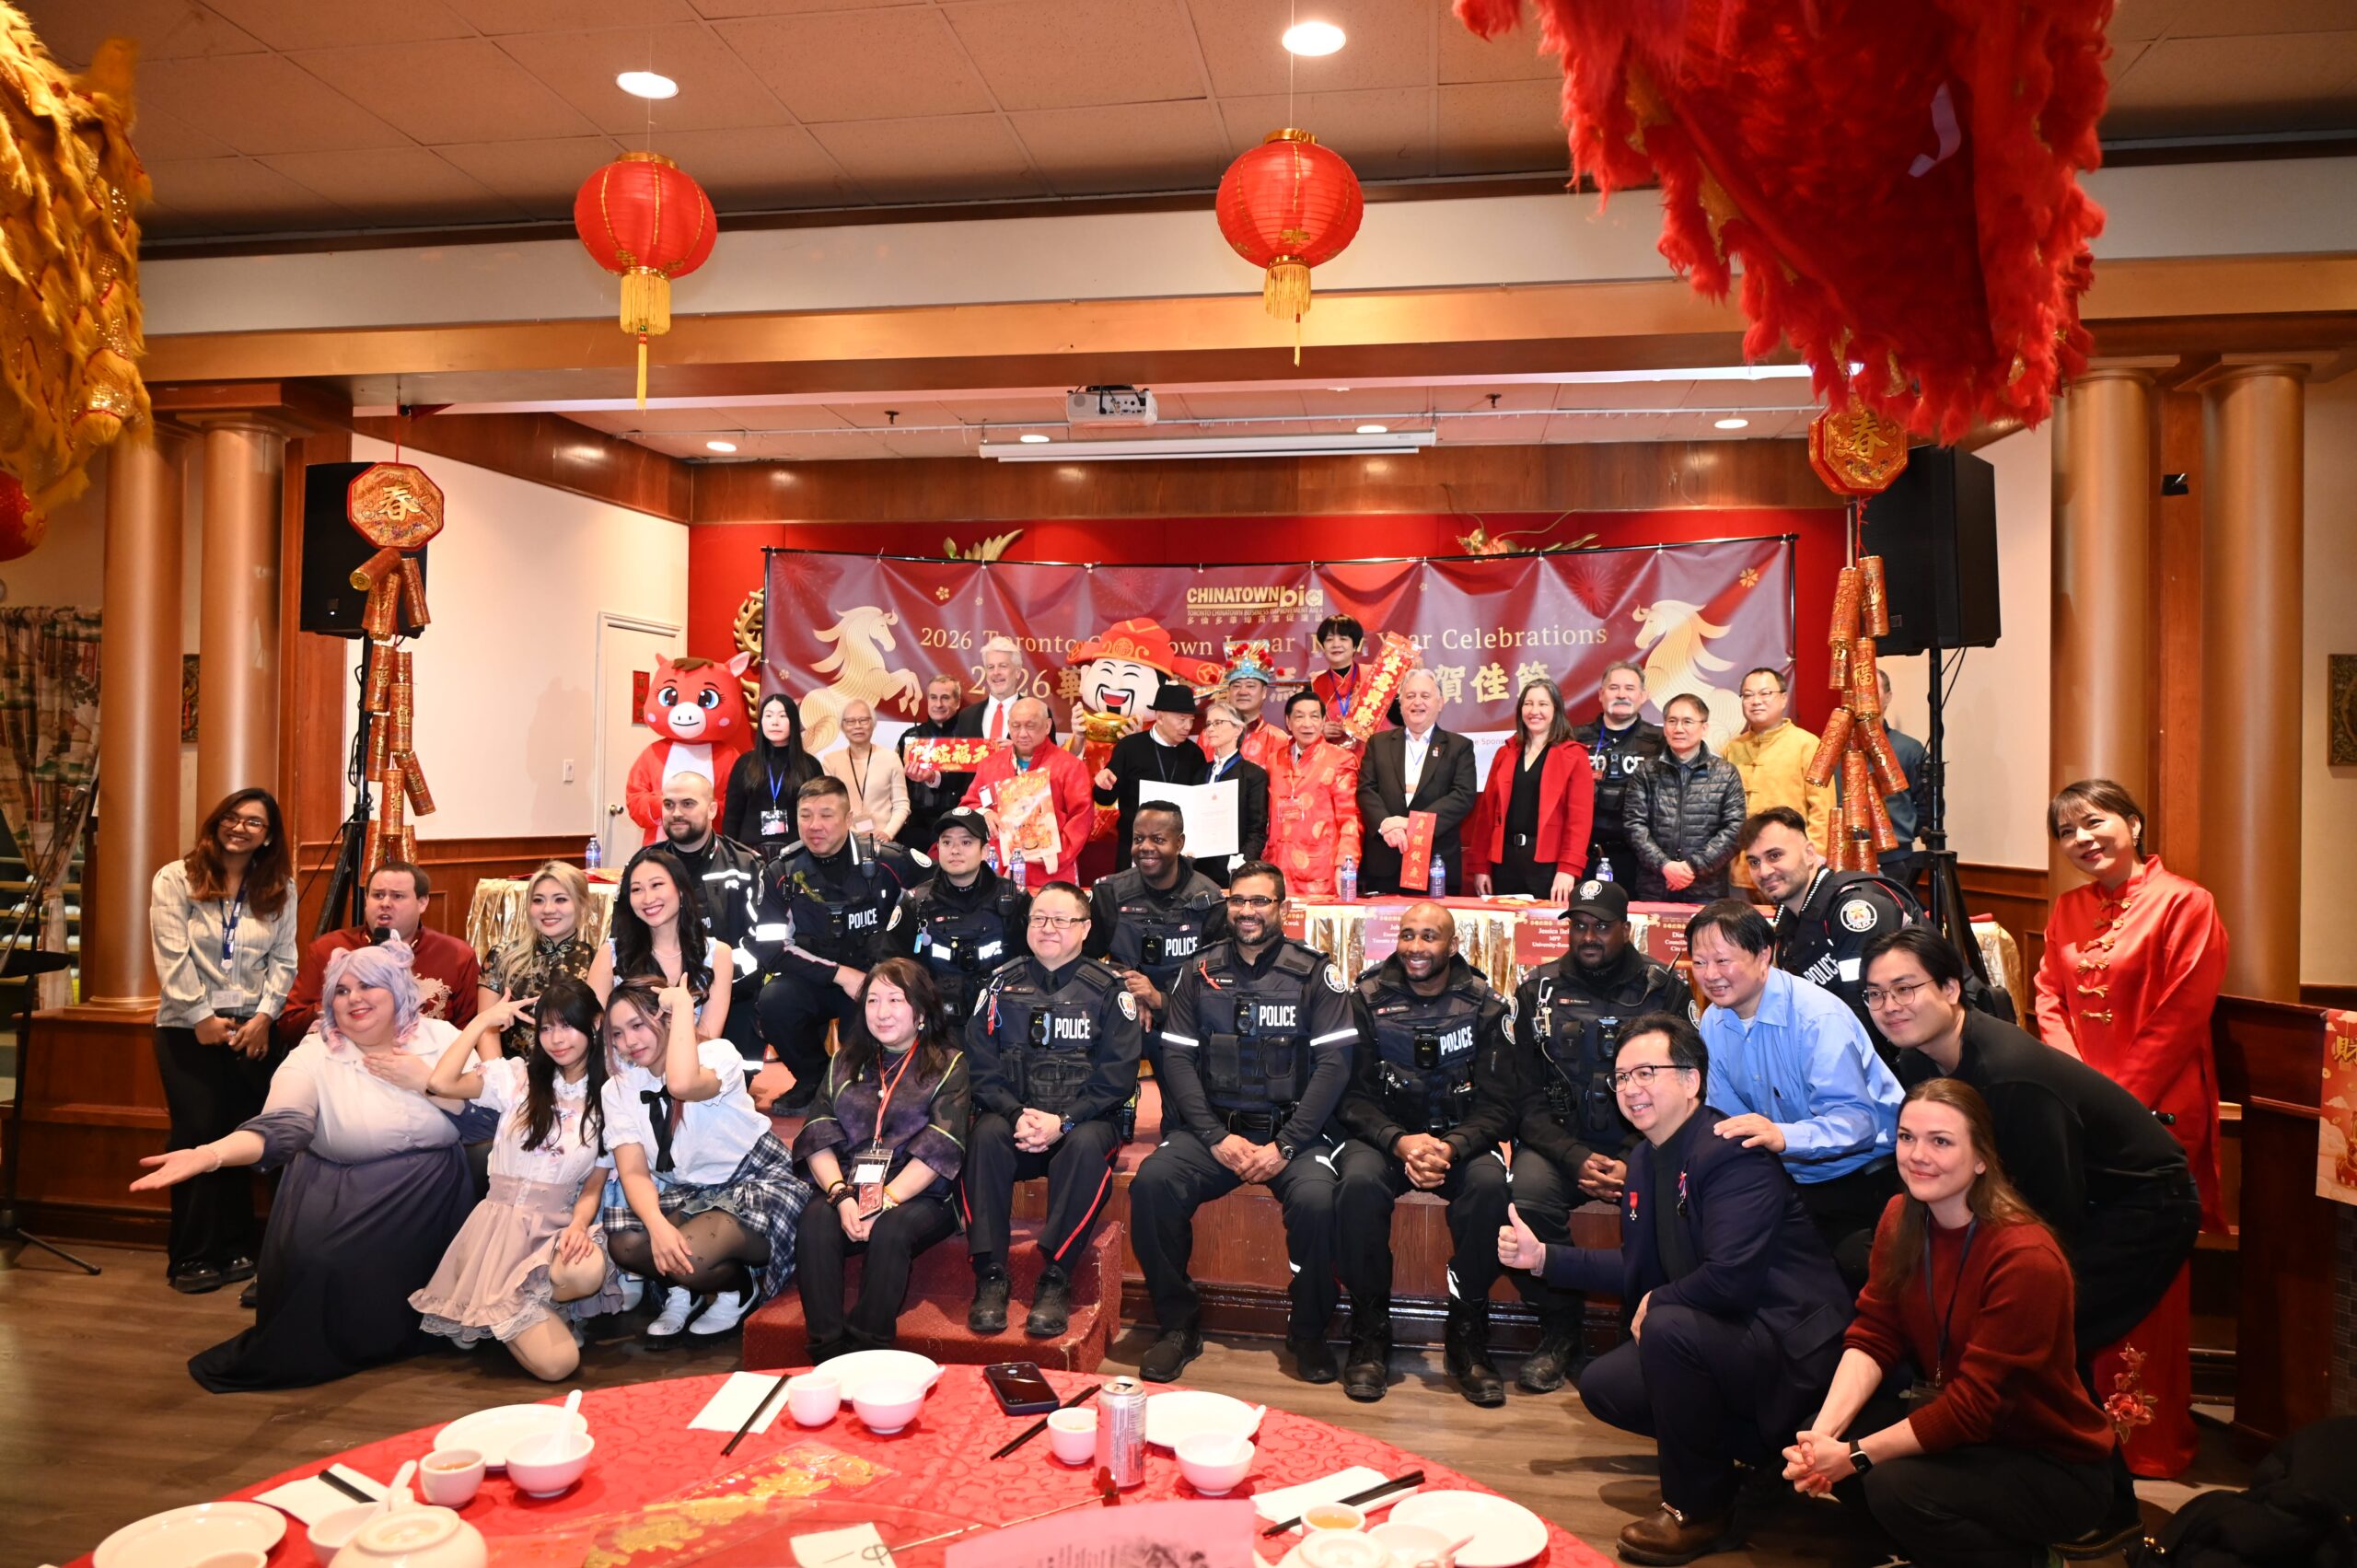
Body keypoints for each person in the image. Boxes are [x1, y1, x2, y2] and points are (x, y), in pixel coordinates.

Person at [1865, 927, 2199, 1551]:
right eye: (1876, 994)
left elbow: (2049, 1214)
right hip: (2057, 1203)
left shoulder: (2010, 1075)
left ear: (1950, 987)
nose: (1890, 1006)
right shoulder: (1918, 1058)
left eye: (1905, 988)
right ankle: (2007, 1485)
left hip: (2139, 1208)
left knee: (2052, 1332)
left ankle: (2102, 1508)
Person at [1497, 1013, 1852, 1565]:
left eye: (1646, 1073)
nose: (1630, 1088)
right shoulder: (1644, 1157)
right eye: (1621, 1077)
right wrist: (1543, 1258)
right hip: (1728, 1333)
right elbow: (1639, 1268)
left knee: (1665, 1325)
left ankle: (1699, 1509)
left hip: (1791, 1343)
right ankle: (1756, 1458)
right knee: (1606, 1384)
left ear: (1691, 1081)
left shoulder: (1729, 1150)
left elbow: (1731, 1277)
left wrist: (1659, 1301)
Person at [1782, 1080, 2117, 1568]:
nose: (1918, 1155)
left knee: (1891, 1483)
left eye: (1940, 1141)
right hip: (1969, 1432)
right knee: (1820, 1435)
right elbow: (1875, 1334)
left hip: (2049, 1460)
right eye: (1906, 1137)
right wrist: (1824, 1440)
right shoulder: (1901, 1216)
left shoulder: (2026, 1257)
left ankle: (2031, 1561)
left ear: (1981, 1158)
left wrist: (1853, 1456)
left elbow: (1973, 1407)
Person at [132, 940, 485, 1392]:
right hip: (343, 1190)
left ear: (398, 990)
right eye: (342, 991)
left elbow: (489, 1118)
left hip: (437, 1193)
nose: (354, 999)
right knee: (321, 1265)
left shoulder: (444, 1040)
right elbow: (282, 1126)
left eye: (368, 986)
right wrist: (210, 1154)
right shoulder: (314, 1054)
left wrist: (427, 1083)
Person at [2034, 779, 2226, 1481]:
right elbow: (2048, 998)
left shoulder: (2186, 903)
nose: (2082, 839)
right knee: (2083, 1263)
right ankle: (2081, 1428)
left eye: (2095, 821)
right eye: (2067, 830)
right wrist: (2073, 1092)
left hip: (2156, 1114)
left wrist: (2110, 1104)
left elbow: (2183, 1012)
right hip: (2080, 1115)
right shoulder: (2067, 907)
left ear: (2134, 823)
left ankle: (2146, 1440)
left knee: (2149, 1274)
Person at [1131, 862, 1355, 1384]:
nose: (1247, 911)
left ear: (1283, 908)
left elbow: (1334, 1067)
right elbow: (1177, 1059)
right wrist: (1214, 1136)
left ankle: (1308, 1331)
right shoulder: (1197, 971)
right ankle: (1178, 1325)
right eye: (1238, 901)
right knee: (1152, 1185)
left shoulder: (1315, 973)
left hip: (1292, 1135)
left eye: (1260, 901)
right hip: (1214, 1131)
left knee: (1319, 1202)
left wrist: (1287, 1145)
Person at [1508, 877, 1691, 1391]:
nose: (1589, 937)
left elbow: (1685, 1086)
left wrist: (1632, 1154)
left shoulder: (1664, 989)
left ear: (1626, 929)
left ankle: (1642, 1334)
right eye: (1580, 926)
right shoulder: (1537, 989)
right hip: (1558, 1144)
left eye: (1602, 927)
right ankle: (1561, 1333)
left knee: (1669, 1200)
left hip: (1647, 1142)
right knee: (1528, 1196)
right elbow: (1523, 1096)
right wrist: (1572, 1156)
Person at [1334, 901, 1516, 1406]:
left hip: (1460, 1141)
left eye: (1429, 937)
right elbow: (1349, 1096)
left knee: (1489, 1188)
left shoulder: (1485, 1003)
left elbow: (1502, 1105)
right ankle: (1370, 1330)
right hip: (1386, 1139)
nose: (1415, 947)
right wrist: (1400, 1141)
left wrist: (1452, 1147)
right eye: (1407, 935)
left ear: (1452, 945)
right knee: (1356, 1185)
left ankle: (1467, 1335)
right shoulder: (1365, 999)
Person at [409, 976, 625, 1380]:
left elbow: (595, 1182)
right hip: (497, 1231)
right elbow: (440, 1083)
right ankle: (500, 1310)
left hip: (553, 1229)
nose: (556, 1039)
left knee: (585, 1271)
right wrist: (482, 1022)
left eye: (567, 1025)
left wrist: (579, 1226)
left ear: (595, 1024)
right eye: (546, 1027)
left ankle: (521, 1309)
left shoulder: (611, 1097)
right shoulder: (517, 1078)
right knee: (559, 1366)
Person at [1688, 899, 1902, 1284]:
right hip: (1786, 1178)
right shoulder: (1714, 1022)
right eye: (1700, 962)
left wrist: (1782, 1136)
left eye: (1722, 960)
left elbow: (1858, 1123)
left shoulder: (1816, 1018)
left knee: (1846, 1274)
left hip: (1863, 1178)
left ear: (1763, 955)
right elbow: (1729, 1120)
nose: (1710, 975)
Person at [961, 881, 1143, 1338]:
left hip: (1082, 1123)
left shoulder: (1109, 991)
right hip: (1018, 1121)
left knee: (1085, 1145)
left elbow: (1117, 1077)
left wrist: (1064, 1121)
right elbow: (981, 1067)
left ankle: (1056, 1279)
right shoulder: (999, 985)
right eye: (1039, 918)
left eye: (1061, 920)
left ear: (1085, 928)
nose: (1047, 928)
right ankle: (990, 1275)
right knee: (984, 1136)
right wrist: (1014, 1114)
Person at [148, 788, 301, 1296]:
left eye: (254, 822)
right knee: (197, 1133)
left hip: (252, 1029)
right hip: (186, 1027)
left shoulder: (279, 886)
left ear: (268, 836)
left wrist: (265, 1018)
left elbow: (285, 959)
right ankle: (192, 1255)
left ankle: (237, 1246)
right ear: (216, 823)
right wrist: (200, 1016)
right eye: (232, 818)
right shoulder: (176, 878)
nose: (241, 828)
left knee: (241, 1134)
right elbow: (171, 953)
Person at [602, 980, 811, 1341]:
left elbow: (681, 1085)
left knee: (692, 1256)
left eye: (638, 1025)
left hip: (755, 1181)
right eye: (617, 1034)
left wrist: (684, 1006)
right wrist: (658, 1226)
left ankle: (739, 1289)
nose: (629, 1042)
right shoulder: (618, 1088)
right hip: (693, 1192)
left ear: (667, 1018)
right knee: (626, 1244)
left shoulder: (716, 1054)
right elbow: (633, 1170)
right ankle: (686, 1291)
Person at [793, 957, 972, 1358]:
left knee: (892, 1230)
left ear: (921, 1011)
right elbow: (818, 1134)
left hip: (920, 1193)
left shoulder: (949, 1065)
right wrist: (840, 1194)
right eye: (873, 1001)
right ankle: (826, 1349)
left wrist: (883, 1201)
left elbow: (940, 1147)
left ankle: (867, 1346)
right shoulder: (843, 1062)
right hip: (851, 1186)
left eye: (895, 1000)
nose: (882, 1012)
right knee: (816, 1219)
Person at [757, 776, 926, 1113]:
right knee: (774, 1000)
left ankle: (861, 1081)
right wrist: (840, 974)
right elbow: (770, 949)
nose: (814, 826)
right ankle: (813, 1079)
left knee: (864, 1082)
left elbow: (935, 892)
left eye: (826, 815)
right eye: (805, 815)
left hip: (875, 983)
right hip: (814, 979)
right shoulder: (780, 872)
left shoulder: (888, 861)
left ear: (848, 819)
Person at [1740, 807, 1910, 1048]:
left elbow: (1867, 1011)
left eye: (1775, 856)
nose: (1764, 871)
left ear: (1809, 853)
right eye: (1754, 862)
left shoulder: (1855, 907)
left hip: (1911, 1050)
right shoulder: (1789, 920)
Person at [1084, 801, 1226, 1073]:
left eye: (1158, 839)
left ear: (1179, 843)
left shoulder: (1209, 899)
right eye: (1138, 839)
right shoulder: (1109, 893)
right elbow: (1082, 961)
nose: (1146, 847)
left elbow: (1219, 981)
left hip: (1184, 1018)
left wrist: (1160, 1000)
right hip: (1125, 1012)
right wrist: (1127, 988)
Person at [277, 861, 481, 1047]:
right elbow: (289, 1028)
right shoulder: (329, 949)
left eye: (397, 896)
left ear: (422, 903)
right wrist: (338, 999)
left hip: (429, 1063)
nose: (385, 903)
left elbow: (471, 1032)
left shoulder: (456, 955)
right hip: (345, 1062)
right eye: (378, 895)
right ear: (366, 900)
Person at [656, 772, 782, 1066]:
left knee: (727, 1082)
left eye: (688, 804)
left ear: (712, 809)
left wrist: (719, 982)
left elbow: (767, 941)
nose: (676, 813)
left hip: (736, 995)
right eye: (669, 804)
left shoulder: (747, 865)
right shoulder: (646, 866)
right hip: (660, 999)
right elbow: (622, 938)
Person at [887, 807, 1031, 1026]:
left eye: (966, 842)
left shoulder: (1015, 900)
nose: (955, 850)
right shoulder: (915, 903)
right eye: (947, 842)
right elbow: (890, 965)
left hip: (1002, 1021)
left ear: (985, 851)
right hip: (937, 1023)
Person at [589, 845, 736, 1045]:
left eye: (657, 885)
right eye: (637, 889)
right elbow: (596, 1032)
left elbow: (708, 1039)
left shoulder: (718, 954)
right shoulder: (610, 954)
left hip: (692, 1060)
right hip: (626, 1060)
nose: (648, 899)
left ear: (681, 890)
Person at [1468, 676, 1594, 902]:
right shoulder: (1505, 753)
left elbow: (1579, 821)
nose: (1534, 711)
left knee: (1545, 924)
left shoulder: (1574, 755)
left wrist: (1568, 869)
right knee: (1504, 923)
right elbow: (1486, 814)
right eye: (1528, 704)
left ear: (1556, 710)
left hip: (1548, 866)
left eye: (1543, 704)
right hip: (1504, 862)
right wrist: (1481, 867)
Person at [1356, 669, 1479, 896]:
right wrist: (1386, 826)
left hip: (1435, 865)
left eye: (1425, 695)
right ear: (1400, 703)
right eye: (1410, 696)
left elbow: (1463, 796)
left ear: (1440, 702)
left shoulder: (1459, 747)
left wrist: (1411, 823)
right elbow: (1366, 790)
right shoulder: (1378, 743)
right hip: (1385, 861)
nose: (1417, 702)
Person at [1621, 694, 1746, 904]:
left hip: (1707, 889)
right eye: (1672, 721)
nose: (1678, 728)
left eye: (1687, 721)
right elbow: (1634, 825)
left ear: (1704, 728)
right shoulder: (1646, 771)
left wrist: (1691, 867)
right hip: (1655, 885)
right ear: (1664, 727)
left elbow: (1735, 829)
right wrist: (1665, 866)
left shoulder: (1726, 773)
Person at [960, 697, 1096, 884]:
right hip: (998, 869)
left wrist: (1055, 855)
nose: (1022, 734)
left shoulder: (1070, 766)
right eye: (1016, 726)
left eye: (1030, 726)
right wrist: (984, 813)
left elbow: (1082, 817)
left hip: (1051, 870)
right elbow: (968, 804)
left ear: (1047, 726)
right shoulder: (990, 764)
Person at [1721, 667, 1834, 886]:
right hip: (1742, 870)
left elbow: (1823, 810)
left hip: (1790, 869)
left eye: (1765, 693)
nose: (1756, 701)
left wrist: (1813, 857)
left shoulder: (1807, 744)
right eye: (1748, 695)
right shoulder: (1732, 748)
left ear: (1783, 699)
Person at [477, 860, 598, 1060]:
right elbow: (486, 1030)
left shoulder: (596, 961)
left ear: (582, 904)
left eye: (560, 900)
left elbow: (598, 1033)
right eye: (538, 900)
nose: (548, 909)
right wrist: (499, 1074)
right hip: (510, 1071)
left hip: (576, 1071)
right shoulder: (502, 956)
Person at [1093, 680, 1209, 873]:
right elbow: (1105, 798)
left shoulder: (1194, 754)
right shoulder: (1130, 747)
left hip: (1178, 851)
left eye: (1191, 720)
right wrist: (1102, 785)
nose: (1188, 726)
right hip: (1135, 848)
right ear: (1160, 717)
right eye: (1181, 719)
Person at [1573, 659, 1665, 882]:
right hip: (1584, 857)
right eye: (1614, 688)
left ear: (1643, 696)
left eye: (1630, 688)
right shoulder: (1574, 739)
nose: (1622, 694)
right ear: (1601, 694)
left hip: (1640, 861)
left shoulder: (1661, 742)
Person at [1264, 690, 1363, 898]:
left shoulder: (1340, 759)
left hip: (1320, 870)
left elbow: (1350, 819)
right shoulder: (1274, 760)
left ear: (1323, 721)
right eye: (1299, 717)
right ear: (1288, 722)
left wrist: (1345, 865)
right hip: (1277, 868)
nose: (1307, 724)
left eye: (1314, 716)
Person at [725, 692, 822, 859]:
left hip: (797, 851)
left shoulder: (810, 765)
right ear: (761, 721)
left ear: (793, 721)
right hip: (750, 853)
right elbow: (732, 816)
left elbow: (817, 812)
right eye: (768, 715)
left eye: (782, 716)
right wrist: (730, 854)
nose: (774, 722)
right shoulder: (745, 763)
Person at [1195, 699, 1271, 886]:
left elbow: (1257, 829)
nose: (1211, 729)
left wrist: (1242, 863)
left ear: (1238, 729)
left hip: (1233, 869)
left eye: (1218, 722)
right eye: (1208, 724)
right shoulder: (1200, 773)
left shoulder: (1253, 775)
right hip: (1198, 868)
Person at [1873, 669, 1931, 891]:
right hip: (1843, 861)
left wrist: (1901, 831)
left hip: (1895, 862)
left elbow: (1929, 808)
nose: (1863, 697)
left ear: (1888, 697)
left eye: (1872, 690)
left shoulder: (1908, 749)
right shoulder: (1835, 750)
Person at [823, 699, 911, 842]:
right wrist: (851, 833)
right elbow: (829, 806)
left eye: (863, 720)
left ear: (873, 723)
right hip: (844, 840)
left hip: (883, 841)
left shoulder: (891, 758)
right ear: (842, 726)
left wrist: (888, 833)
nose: (857, 726)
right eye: (850, 721)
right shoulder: (830, 761)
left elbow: (901, 804)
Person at [898, 675, 970, 850]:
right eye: (933, 697)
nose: (938, 704)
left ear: (957, 702)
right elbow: (897, 785)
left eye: (945, 698)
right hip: (916, 829)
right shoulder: (910, 738)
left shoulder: (969, 739)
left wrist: (933, 777)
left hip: (958, 826)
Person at [1310, 613, 1397, 748]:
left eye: (1343, 639)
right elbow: (1303, 729)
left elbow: (1398, 718)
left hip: (1376, 754)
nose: (1336, 644)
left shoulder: (1376, 676)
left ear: (1355, 645)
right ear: (1322, 647)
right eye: (1329, 639)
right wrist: (1319, 732)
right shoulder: (1313, 685)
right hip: (1334, 758)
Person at [952, 635, 1040, 749]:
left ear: (1017, 672)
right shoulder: (966, 716)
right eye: (990, 667)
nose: (996, 672)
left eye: (1003, 666)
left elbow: (1052, 757)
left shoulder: (1038, 713)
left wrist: (1022, 752)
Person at [1218, 654, 1288, 772]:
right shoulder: (1210, 734)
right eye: (1236, 686)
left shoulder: (1279, 739)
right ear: (1229, 692)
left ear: (1264, 692)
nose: (1242, 692)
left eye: (1250, 686)